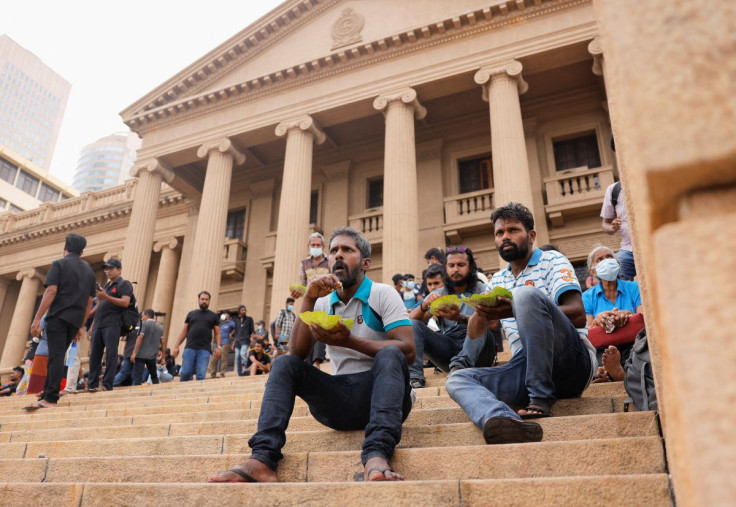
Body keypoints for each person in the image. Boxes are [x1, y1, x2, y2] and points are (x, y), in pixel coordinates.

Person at [208, 226, 415, 483]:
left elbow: (408, 351)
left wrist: (350, 341)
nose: (338, 255)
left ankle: (377, 455)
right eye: (334, 251)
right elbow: (297, 354)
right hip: (338, 402)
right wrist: (308, 298)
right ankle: (262, 458)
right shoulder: (322, 303)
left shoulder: (382, 293)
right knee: (284, 363)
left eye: (347, 250)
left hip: (383, 396)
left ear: (365, 263)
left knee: (391, 354)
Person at [446, 203, 596, 444]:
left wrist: (516, 309)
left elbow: (578, 314)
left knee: (525, 295)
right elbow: (475, 334)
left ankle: (540, 398)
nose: (505, 236)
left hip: (571, 361)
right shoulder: (500, 280)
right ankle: (502, 419)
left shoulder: (552, 260)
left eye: (513, 230)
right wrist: (482, 313)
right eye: (499, 233)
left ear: (531, 236)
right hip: (524, 366)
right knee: (457, 379)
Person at [24, 234, 95, 410]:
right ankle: (48, 391)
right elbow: (89, 301)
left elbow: (51, 291)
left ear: (65, 248)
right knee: (58, 356)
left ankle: (50, 398)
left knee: (54, 357)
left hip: (58, 317)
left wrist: (38, 317)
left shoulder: (59, 264)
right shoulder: (89, 272)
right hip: (74, 321)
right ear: (82, 251)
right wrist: (81, 325)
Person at [408, 246, 494, 388]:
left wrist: (460, 318)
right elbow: (411, 321)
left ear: (471, 268)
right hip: (449, 347)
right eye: (451, 265)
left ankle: (460, 368)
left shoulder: (483, 290)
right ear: (445, 268)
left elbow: (494, 325)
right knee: (414, 325)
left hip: (481, 350)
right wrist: (424, 305)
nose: (455, 269)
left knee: (481, 319)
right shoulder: (439, 293)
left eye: (461, 265)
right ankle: (415, 378)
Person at [582, 245, 644, 381]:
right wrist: (598, 320)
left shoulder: (634, 287)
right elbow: (587, 331)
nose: (606, 261)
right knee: (598, 356)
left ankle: (613, 373)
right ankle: (613, 372)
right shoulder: (587, 296)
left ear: (617, 263)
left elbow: (643, 319)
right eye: (600, 259)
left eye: (609, 257)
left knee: (639, 351)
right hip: (603, 347)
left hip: (632, 342)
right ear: (593, 271)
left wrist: (626, 314)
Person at [86, 258, 133, 393]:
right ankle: (92, 384)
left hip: (113, 324)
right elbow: (101, 306)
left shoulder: (124, 284)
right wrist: (91, 324)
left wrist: (106, 297)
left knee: (111, 354)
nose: (108, 271)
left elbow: (125, 302)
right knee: (94, 355)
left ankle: (106, 384)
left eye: (111, 268)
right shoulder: (106, 287)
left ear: (119, 270)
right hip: (99, 324)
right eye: (106, 269)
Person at [172, 291, 221, 381]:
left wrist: (218, 347)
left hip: (204, 350)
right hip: (189, 348)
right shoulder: (191, 314)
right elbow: (184, 331)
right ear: (198, 300)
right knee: (185, 373)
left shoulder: (213, 316)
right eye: (202, 299)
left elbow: (217, 333)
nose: (204, 301)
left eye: (206, 299)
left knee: (201, 375)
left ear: (209, 301)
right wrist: (176, 346)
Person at [601, 181, 636, 280]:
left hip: (652, 244)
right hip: (628, 249)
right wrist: (613, 227)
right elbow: (605, 224)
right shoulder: (614, 189)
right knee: (611, 270)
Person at [130, 309, 165, 386]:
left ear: (147, 315)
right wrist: (163, 357)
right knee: (154, 376)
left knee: (137, 377)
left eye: (143, 315)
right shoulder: (159, 328)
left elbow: (140, 338)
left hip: (140, 355)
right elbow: (163, 342)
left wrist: (134, 353)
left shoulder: (143, 324)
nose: (142, 317)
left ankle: (135, 394)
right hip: (152, 356)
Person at [208, 312, 235, 378]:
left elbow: (237, 328)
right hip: (218, 343)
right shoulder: (221, 323)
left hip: (226, 342)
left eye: (225, 314)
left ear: (228, 315)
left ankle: (222, 374)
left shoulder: (231, 323)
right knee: (214, 357)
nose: (224, 315)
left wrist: (231, 334)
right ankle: (213, 374)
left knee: (223, 358)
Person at [232, 306, 254, 376]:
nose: (243, 311)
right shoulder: (236, 320)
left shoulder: (249, 319)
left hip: (245, 340)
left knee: (242, 354)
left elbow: (252, 331)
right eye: (242, 310)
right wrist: (233, 343)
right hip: (237, 341)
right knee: (237, 357)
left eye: (244, 310)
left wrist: (252, 340)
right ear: (239, 311)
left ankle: (246, 369)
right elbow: (236, 332)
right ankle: (240, 373)